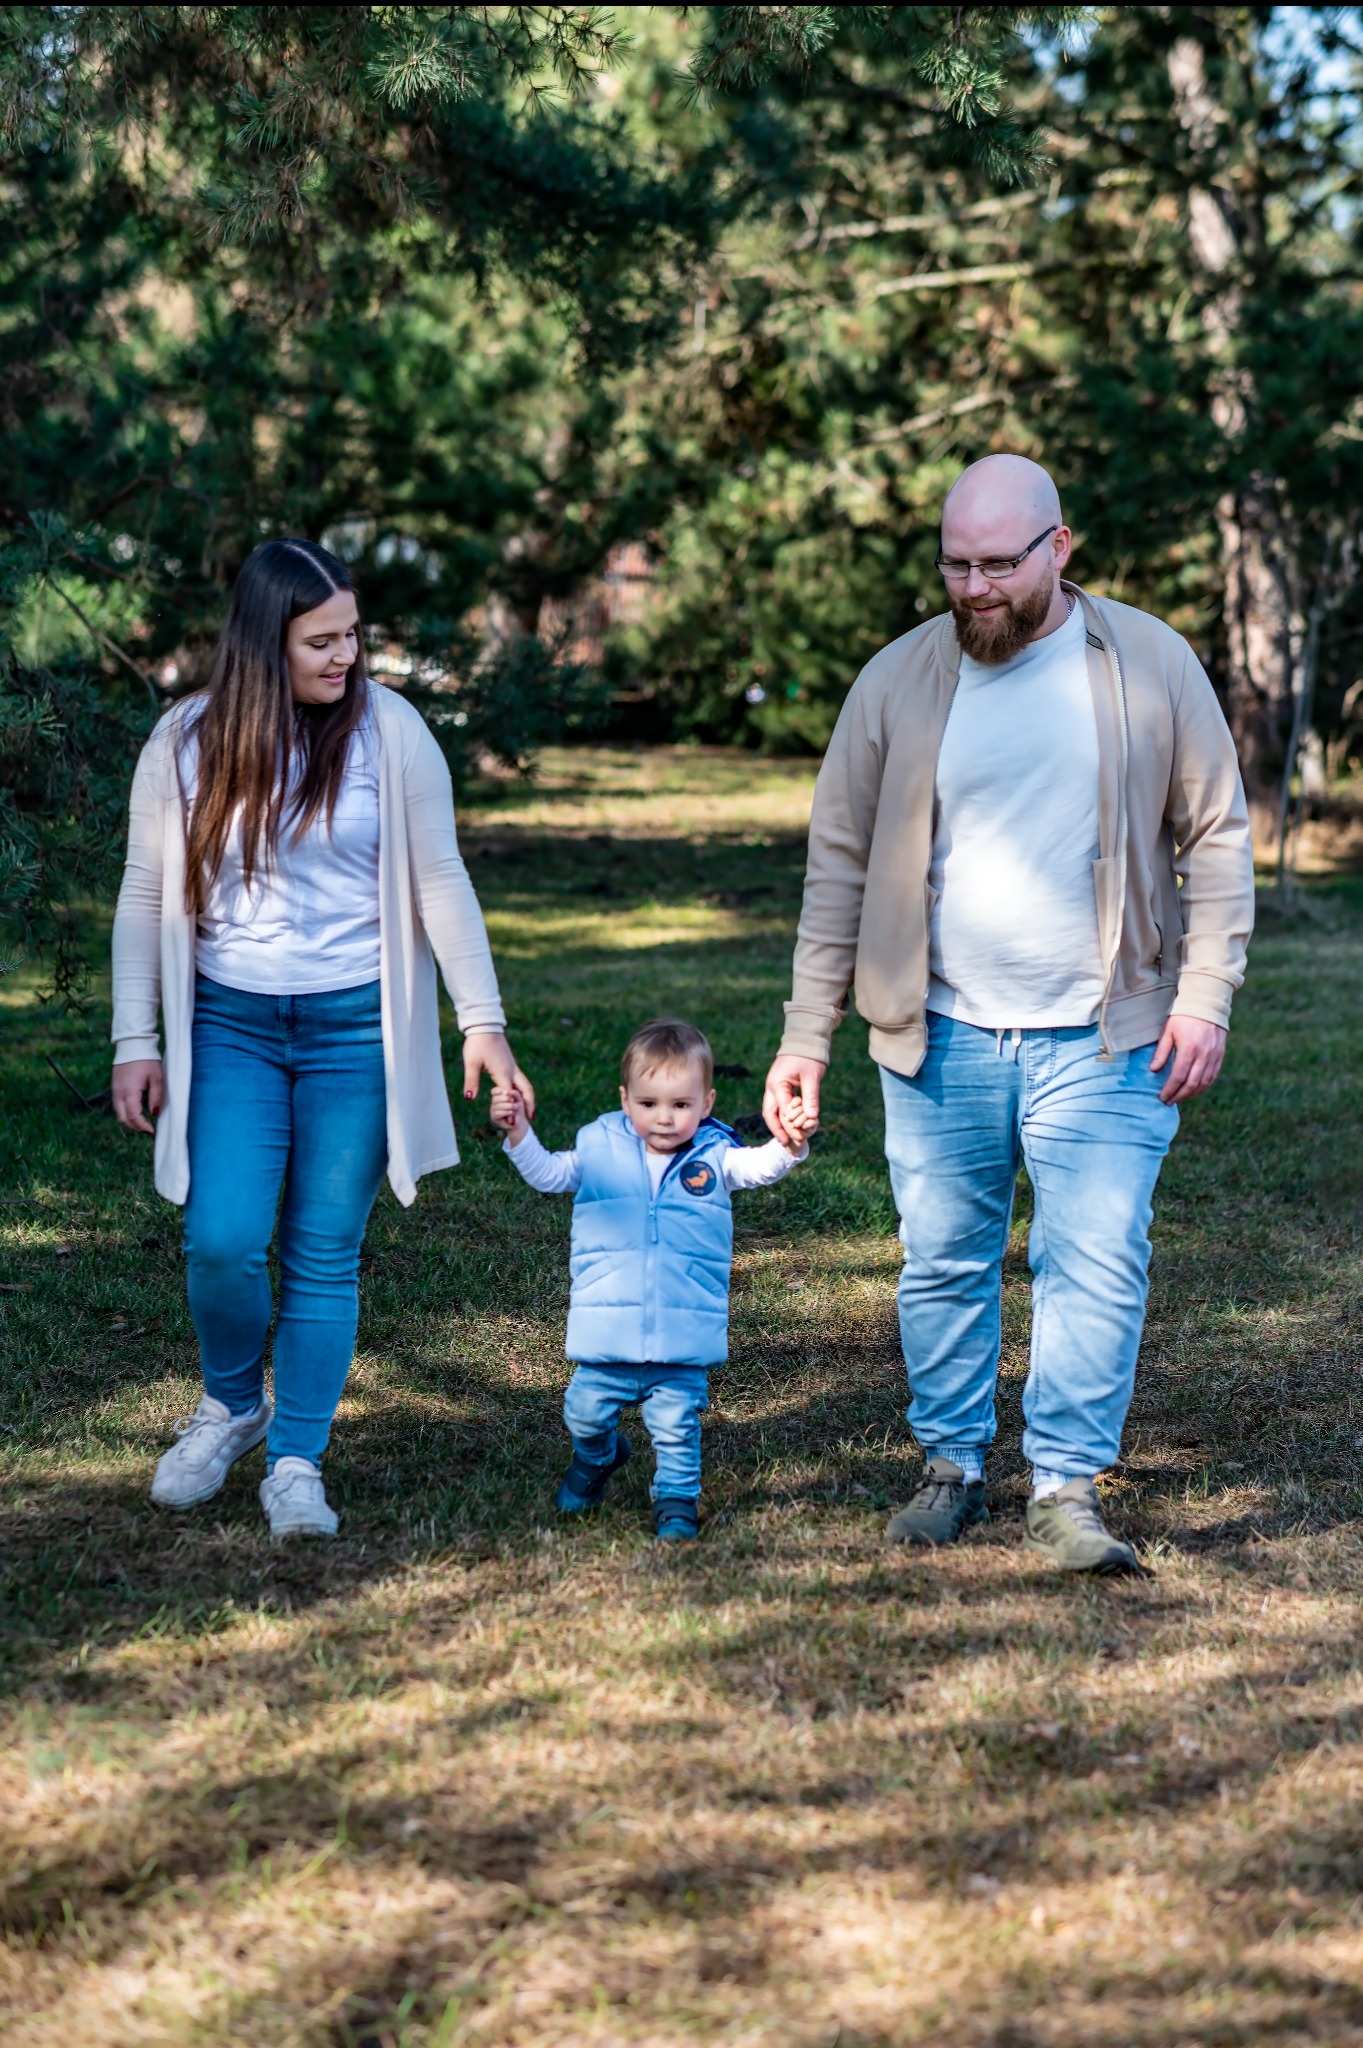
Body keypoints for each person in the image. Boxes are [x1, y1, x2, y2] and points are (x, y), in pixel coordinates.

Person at [762, 454, 1254, 1573]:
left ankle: (1066, 1486)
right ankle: (950, 1464)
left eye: (998, 563)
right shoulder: (895, 679)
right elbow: (834, 864)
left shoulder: (1149, 662)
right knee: (940, 1255)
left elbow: (1215, 838)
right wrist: (805, 1036)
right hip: (938, 1030)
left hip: (1106, 1028)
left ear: (1059, 548)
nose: (975, 586)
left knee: (1094, 1255)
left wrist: (1205, 995)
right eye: (956, 563)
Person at [111, 537, 532, 1538]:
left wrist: (484, 1023)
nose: (347, 655)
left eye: (353, 634)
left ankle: (297, 1455)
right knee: (220, 1238)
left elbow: (443, 882)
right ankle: (231, 1400)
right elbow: (142, 891)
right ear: (266, 643)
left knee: (322, 1248)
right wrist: (137, 1035)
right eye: (323, 639)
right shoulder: (186, 739)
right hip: (233, 1025)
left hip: (354, 1030)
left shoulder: (393, 733)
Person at [492, 1018, 810, 1541]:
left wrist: (789, 1144)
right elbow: (548, 1174)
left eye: (681, 1106)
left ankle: (677, 1501)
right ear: (626, 1099)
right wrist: (518, 1133)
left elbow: (759, 1167)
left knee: (677, 1429)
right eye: (649, 1104)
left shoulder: (713, 1155)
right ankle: (597, 1458)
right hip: (607, 1336)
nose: (664, 1118)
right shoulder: (599, 1150)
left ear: (706, 1103)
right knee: (584, 1415)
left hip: (680, 1337)